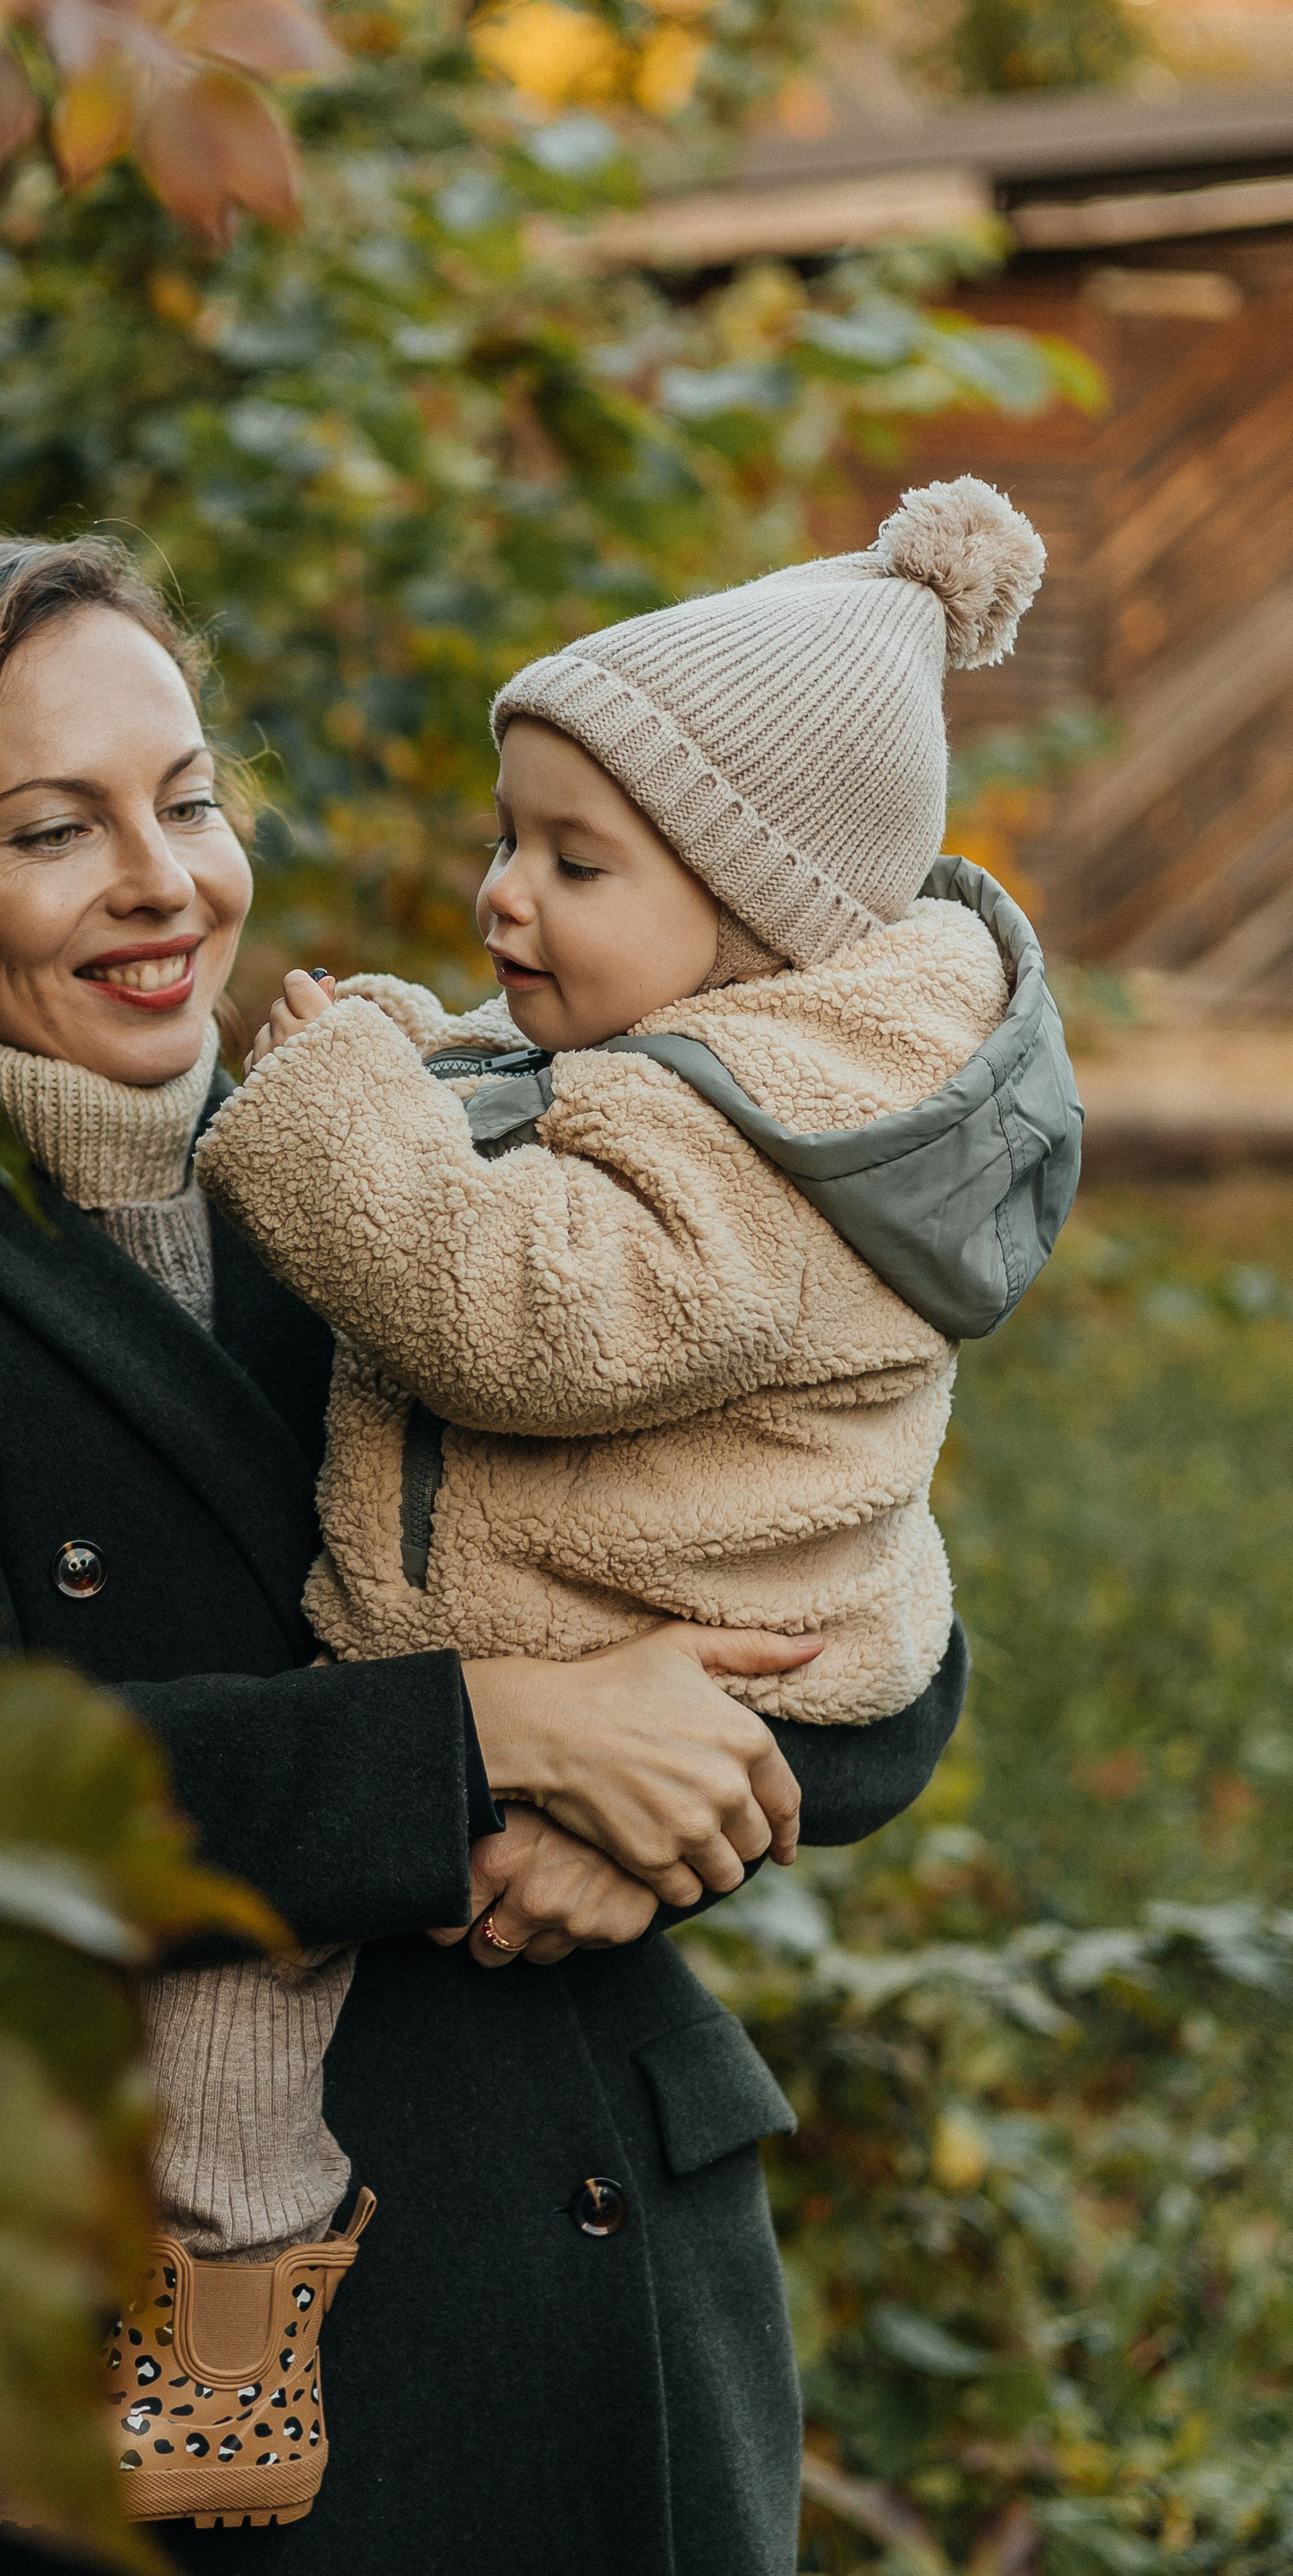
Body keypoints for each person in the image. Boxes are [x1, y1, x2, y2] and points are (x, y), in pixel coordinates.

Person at [0, 529, 970, 2576]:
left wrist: (655, 1801)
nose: (164, 881)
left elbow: (861, 1606)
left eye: (190, 798)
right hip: (164, 2396)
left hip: (601, 2268)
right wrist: (490, 1738)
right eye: (53, 829)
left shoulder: (397, 1151)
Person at [120, 482, 1082, 2453]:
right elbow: (474, 1096)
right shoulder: (724, 1062)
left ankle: (214, 2363)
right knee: (236, 1987)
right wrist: (382, 1054)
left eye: (571, 862)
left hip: (683, 1736)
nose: (501, 898)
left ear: (750, 929)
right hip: (621, 1708)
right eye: (505, 841)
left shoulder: (738, 1133)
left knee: (233, 2005)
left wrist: (318, 1108)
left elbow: (519, 1311)